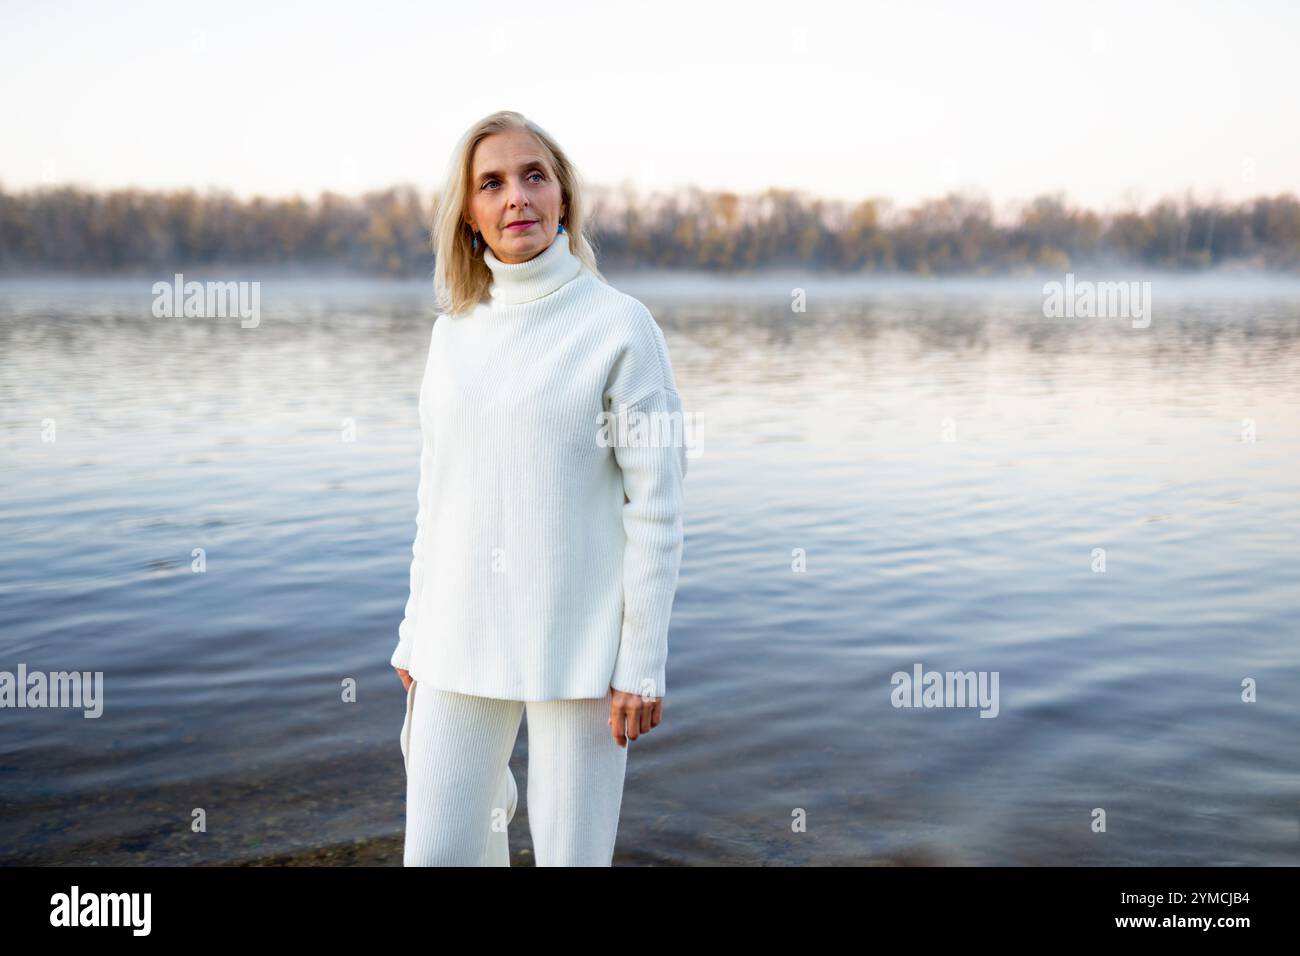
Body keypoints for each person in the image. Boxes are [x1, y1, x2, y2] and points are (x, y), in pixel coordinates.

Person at [391, 110, 689, 866]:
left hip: (581, 650)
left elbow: (656, 509)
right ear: (469, 214)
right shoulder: (451, 332)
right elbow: (438, 495)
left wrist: (641, 662)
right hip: (457, 638)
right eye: (491, 183)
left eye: (534, 176)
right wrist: (413, 629)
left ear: (563, 199)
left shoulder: (621, 326)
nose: (515, 196)